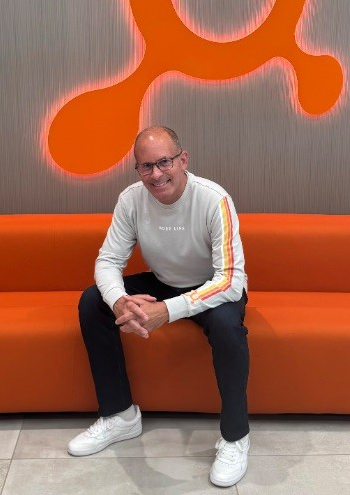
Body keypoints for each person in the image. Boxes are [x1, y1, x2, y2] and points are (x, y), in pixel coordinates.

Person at [68, 126, 250, 487]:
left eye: (164, 162)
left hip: (212, 286)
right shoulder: (131, 199)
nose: (156, 174)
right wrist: (119, 300)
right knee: (93, 301)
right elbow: (108, 261)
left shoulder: (214, 199)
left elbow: (231, 280)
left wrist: (166, 311)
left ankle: (235, 437)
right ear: (138, 169)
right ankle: (120, 416)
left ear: (183, 160)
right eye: (145, 166)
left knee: (228, 326)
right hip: (163, 281)